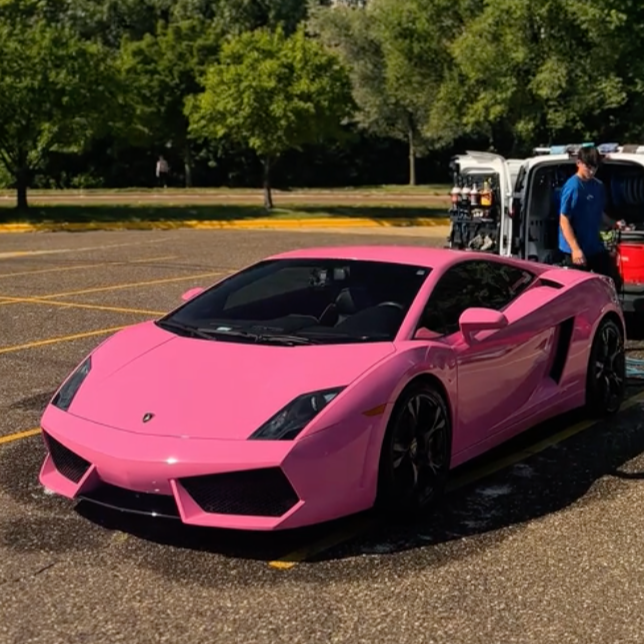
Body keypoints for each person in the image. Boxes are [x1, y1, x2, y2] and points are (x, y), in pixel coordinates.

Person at [557, 145, 624, 291]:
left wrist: (615, 224)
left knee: (612, 282)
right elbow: (564, 219)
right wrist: (575, 249)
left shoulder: (598, 186)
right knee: (578, 290)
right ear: (579, 163)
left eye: (595, 167)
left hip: (593, 246)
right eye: (588, 167)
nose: (592, 171)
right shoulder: (573, 187)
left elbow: (599, 213)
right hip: (575, 249)